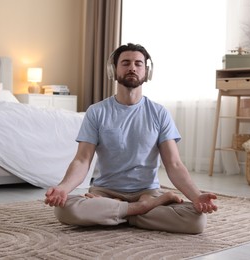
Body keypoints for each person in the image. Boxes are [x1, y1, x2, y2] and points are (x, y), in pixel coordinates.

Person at [44, 43, 217, 234]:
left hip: (146, 193)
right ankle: (141, 211)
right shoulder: (96, 112)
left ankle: (116, 213)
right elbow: (82, 160)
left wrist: (196, 196)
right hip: (105, 192)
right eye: (125, 63)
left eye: (138, 64)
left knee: (196, 222)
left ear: (147, 72)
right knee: (64, 210)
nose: (132, 68)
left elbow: (174, 164)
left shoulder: (159, 113)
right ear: (114, 69)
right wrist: (63, 188)